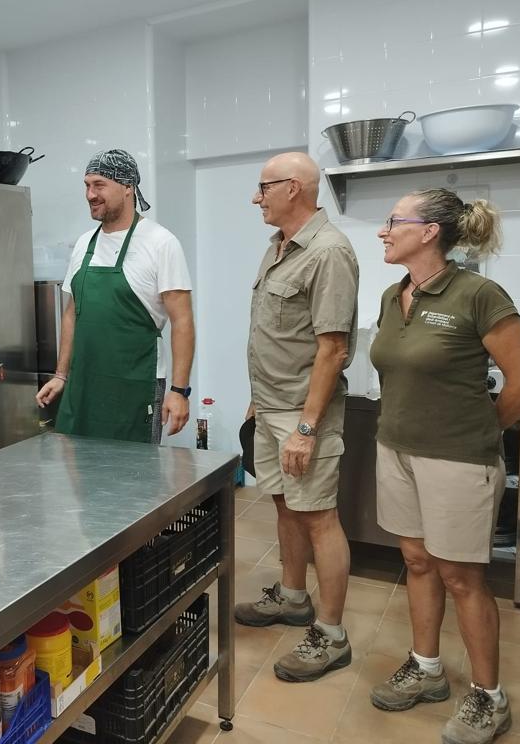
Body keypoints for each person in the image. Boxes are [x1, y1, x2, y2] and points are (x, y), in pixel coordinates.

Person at [367, 189, 520, 744]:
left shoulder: (478, 294)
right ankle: (426, 667)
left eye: (394, 221)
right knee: (417, 562)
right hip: (395, 449)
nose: (383, 230)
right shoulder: (392, 295)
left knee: (462, 576)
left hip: (457, 459)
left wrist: (485, 431)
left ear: (430, 232)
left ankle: (489, 698)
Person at [233, 151, 359, 683]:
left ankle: (330, 635)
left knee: (318, 516)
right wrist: (260, 398)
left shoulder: (329, 252)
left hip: (304, 413)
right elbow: (277, 333)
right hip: (272, 403)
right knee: (284, 505)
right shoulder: (279, 246)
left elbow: (332, 348)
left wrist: (306, 427)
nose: (256, 197)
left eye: (264, 187)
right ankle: (291, 597)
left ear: (295, 188)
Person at [35, 149, 194, 444]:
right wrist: (60, 375)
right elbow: (72, 312)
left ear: (128, 187)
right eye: (86, 185)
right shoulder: (85, 243)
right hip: (83, 384)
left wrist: (179, 390)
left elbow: (182, 321)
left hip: (135, 385)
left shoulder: (161, 243)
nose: (90, 194)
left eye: (99, 184)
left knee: (136, 478)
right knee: (81, 474)